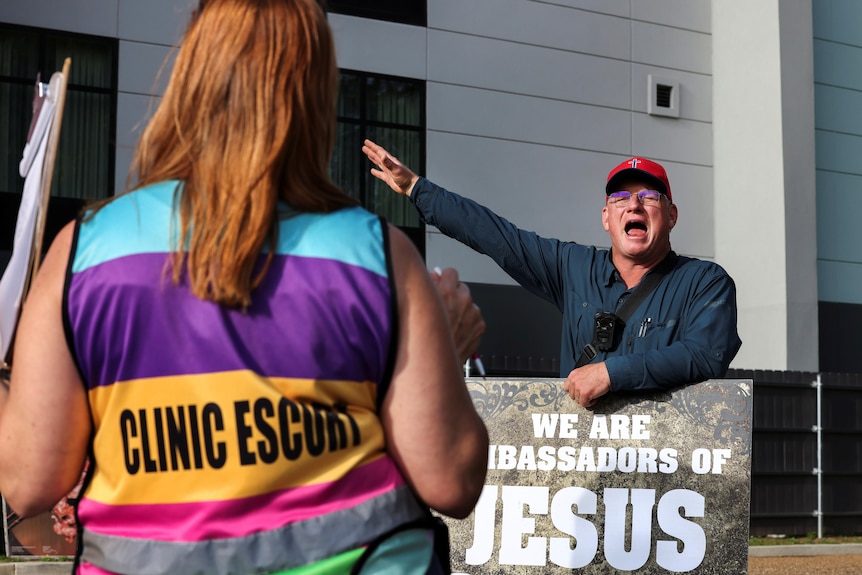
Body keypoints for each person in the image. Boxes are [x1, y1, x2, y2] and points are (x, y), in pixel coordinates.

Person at [0, 1, 489, 574]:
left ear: (189, 80)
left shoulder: (82, 253)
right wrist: (444, 354)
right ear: (313, 97)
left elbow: (27, 481)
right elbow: (451, 480)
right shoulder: (375, 255)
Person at [362, 140, 742, 408]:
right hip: (584, 471)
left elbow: (705, 354)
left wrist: (612, 373)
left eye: (649, 197)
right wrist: (416, 188)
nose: (634, 205)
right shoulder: (573, 267)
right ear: (606, 218)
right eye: (621, 198)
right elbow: (496, 236)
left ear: (671, 215)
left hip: (668, 471)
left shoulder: (705, 282)